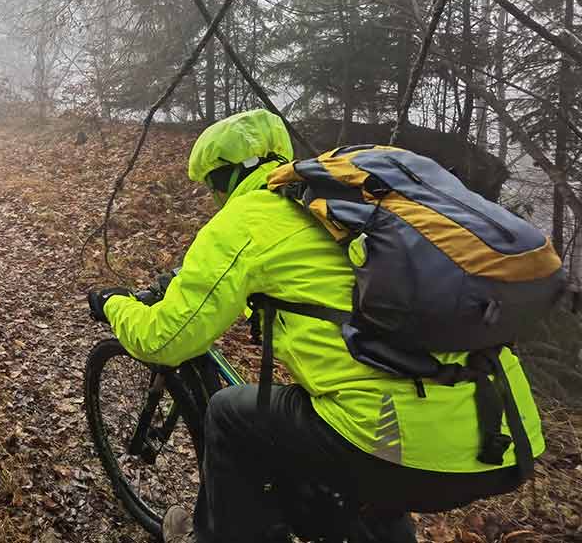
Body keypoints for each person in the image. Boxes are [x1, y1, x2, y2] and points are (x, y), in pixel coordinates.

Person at [87, 110, 543, 543]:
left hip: (396, 443)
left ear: (224, 178)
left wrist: (114, 306)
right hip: (506, 438)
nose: (213, 200)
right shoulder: (340, 204)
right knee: (378, 429)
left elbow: (164, 339)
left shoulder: (247, 219)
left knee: (228, 412)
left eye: (212, 187)